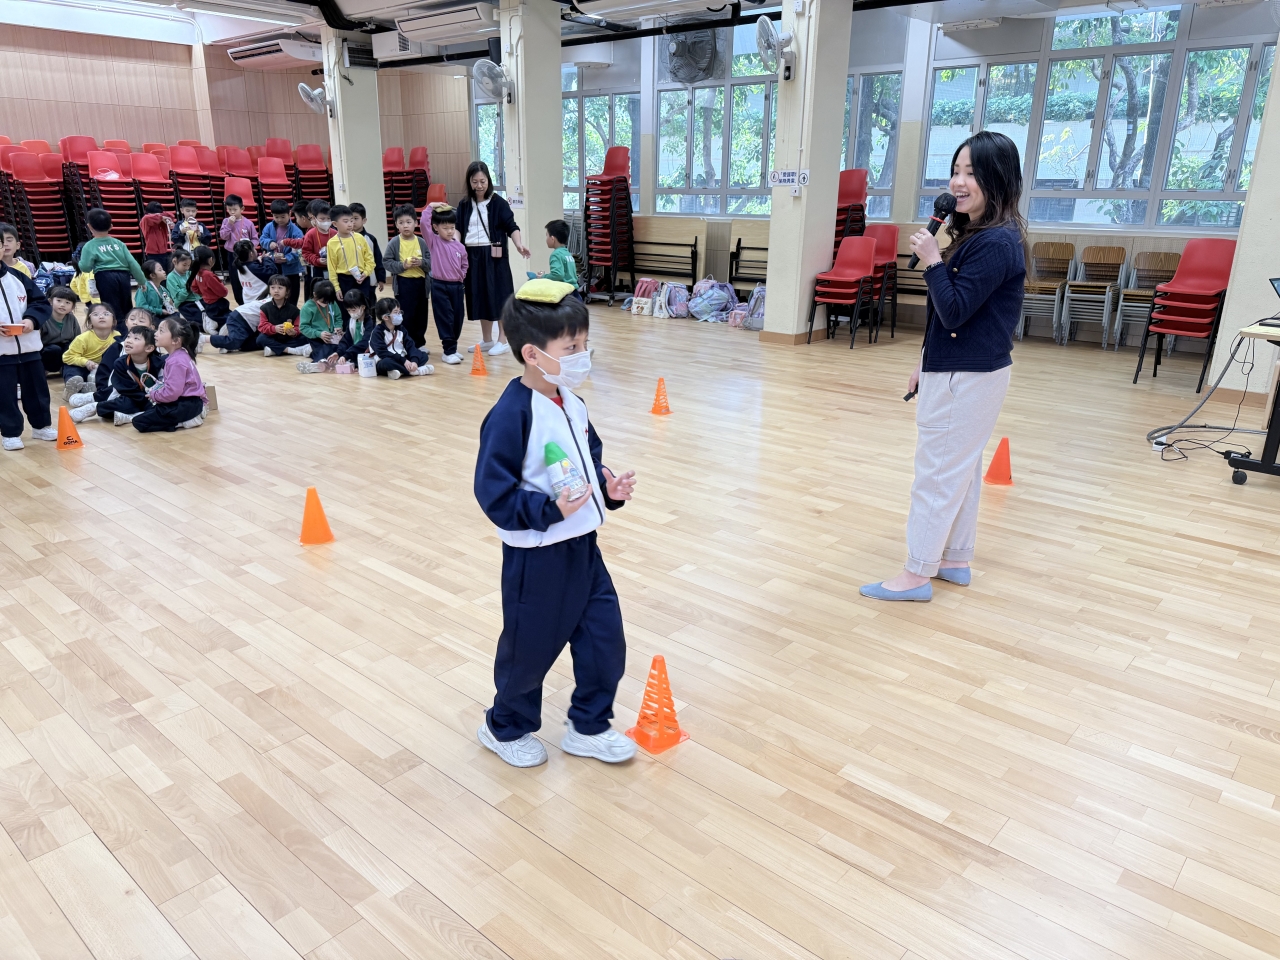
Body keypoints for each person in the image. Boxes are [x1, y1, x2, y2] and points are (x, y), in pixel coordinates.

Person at [473, 279, 637, 767]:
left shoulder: (572, 401)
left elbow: (588, 456)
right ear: (532, 353)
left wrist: (607, 485)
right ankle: (503, 728)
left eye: (584, 344)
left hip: (584, 548)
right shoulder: (510, 415)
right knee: (529, 650)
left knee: (605, 641)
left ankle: (588, 726)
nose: (583, 356)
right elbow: (494, 494)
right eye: (571, 348)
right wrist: (549, 511)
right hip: (536, 558)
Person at [861, 131, 1027, 603]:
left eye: (971, 173)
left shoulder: (996, 242)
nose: (958, 182)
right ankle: (953, 559)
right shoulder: (980, 235)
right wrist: (924, 360)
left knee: (936, 474)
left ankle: (916, 574)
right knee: (961, 470)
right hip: (961, 368)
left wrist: (933, 260)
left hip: (966, 376)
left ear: (998, 179)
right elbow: (950, 314)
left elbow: (953, 311)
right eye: (956, 170)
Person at [444, 160, 530, 357]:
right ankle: (487, 339)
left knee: (499, 295)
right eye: (475, 182)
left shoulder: (498, 203)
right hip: (471, 255)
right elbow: (458, 229)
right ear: (469, 182)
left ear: (488, 180)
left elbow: (512, 227)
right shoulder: (464, 204)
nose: (479, 186)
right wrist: (455, 246)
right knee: (480, 295)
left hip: (494, 256)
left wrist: (518, 244)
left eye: (482, 181)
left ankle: (503, 340)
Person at [0, 257, 55, 451]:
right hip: (2, 353)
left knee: (37, 390)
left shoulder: (18, 277)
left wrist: (32, 319)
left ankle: (41, 426)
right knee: (5, 395)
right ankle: (10, 433)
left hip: (29, 347)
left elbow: (40, 303)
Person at [69, 324, 165, 426]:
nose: (128, 341)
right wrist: (149, 402)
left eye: (136, 338)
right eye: (128, 337)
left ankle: (130, 416)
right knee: (122, 401)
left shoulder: (158, 363)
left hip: (146, 396)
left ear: (149, 348)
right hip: (124, 392)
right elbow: (127, 390)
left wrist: (154, 399)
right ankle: (93, 405)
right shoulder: (120, 363)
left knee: (160, 406)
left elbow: (162, 384)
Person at [78, 208, 148, 332]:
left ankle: (118, 334)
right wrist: (142, 280)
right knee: (126, 306)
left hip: (104, 277)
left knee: (112, 308)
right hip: (123, 276)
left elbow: (85, 267)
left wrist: (80, 262)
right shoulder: (119, 243)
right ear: (111, 226)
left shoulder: (89, 246)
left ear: (89, 226)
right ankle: (129, 331)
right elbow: (133, 263)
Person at [130, 317, 206, 432]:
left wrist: (154, 395)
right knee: (149, 411)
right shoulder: (180, 354)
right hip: (189, 403)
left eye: (161, 331)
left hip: (185, 405)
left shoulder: (176, 361)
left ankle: (181, 422)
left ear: (175, 340)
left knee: (139, 422)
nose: (155, 334)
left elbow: (172, 393)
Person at [422, 203, 467, 365]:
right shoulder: (433, 242)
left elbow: (465, 264)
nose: (449, 231)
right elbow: (423, 223)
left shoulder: (459, 246)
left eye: (452, 227)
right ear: (435, 228)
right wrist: (430, 207)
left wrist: (462, 275)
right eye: (445, 228)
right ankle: (448, 351)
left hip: (457, 287)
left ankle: (453, 347)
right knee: (445, 318)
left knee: (458, 318)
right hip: (439, 286)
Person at [84, 308, 154, 410]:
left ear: (151, 327)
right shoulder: (117, 347)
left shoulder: (154, 348)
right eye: (132, 319)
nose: (135, 322)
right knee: (123, 402)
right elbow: (104, 370)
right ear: (126, 322)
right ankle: (94, 398)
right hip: (118, 389)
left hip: (143, 390)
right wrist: (103, 390)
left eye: (141, 321)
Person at [384, 204, 431, 351]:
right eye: (401, 222)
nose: (405, 225)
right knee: (406, 316)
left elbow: (431, 262)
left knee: (421, 315)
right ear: (396, 224)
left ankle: (419, 343)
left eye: (408, 222)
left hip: (421, 284)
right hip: (404, 284)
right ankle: (405, 343)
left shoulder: (421, 242)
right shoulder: (394, 242)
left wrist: (421, 263)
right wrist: (402, 265)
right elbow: (387, 262)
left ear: (415, 223)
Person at [62, 302, 119, 400]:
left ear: (114, 321)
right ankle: (70, 390)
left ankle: (86, 388)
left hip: (101, 369)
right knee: (73, 372)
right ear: (90, 322)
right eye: (96, 314)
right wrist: (86, 362)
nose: (101, 316)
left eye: (106, 314)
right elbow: (67, 357)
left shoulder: (117, 336)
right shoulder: (83, 338)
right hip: (82, 366)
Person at [368, 297, 432, 379]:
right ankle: (414, 372)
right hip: (386, 359)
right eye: (396, 312)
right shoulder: (377, 332)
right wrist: (403, 361)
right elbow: (382, 353)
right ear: (386, 317)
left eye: (399, 312)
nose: (399, 315)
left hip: (401, 358)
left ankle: (400, 371)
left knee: (423, 355)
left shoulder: (401, 329)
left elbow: (410, 346)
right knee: (386, 363)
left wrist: (414, 361)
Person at [326, 204, 376, 309]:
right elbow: (332, 268)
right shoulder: (332, 243)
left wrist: (366, 272)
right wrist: (336, 288)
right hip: (343, 280)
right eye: (345, 221)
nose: (350, 224)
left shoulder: (360, 238)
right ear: (335, 224)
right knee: (346, 309)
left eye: (351, 220)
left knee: (363, 309)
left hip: (362, 278)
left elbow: (370, 259)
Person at [260, 199, 304, 305]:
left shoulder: (296, 231)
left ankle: (291, 311)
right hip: (274, 266)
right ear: (272, 215)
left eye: (283, 217)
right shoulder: (269, 227)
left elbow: (300, 250)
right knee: (275, 293)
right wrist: (269, 243)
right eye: (276, 217)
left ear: (289, 214)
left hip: (291, 269)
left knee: (292, 294)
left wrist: (287, 258)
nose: (279, 220)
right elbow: (262, 239)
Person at [187, 247, 233, 345]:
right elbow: (223, 292)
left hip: (207, 303)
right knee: (231, 319)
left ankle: (212, 324)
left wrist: (204, 293)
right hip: (217, 304)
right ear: (211, 260)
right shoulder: (208, 275)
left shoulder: (198, 273)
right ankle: (219, 335)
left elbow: (194, 287)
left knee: (219, 317)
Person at [297, 280, 344, 373]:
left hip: (333, 337)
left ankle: (318, 359)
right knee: (326, 348)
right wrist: (319, 334)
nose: (326, 303)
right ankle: (317, 364)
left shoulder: (332, 303)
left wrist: (338, 327)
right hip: (316, 337)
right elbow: (303, 327)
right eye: (323, 301)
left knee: (339, 347)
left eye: (328, 301)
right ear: (315, 294)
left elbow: (338, 317)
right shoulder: (307, 307)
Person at [257, 275, 308, 357]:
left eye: (280, 288)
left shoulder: (294, 310)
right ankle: (290, 350)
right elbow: (262, 326)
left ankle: (274, 350)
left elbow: (299, 327)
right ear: (269, 289)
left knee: (305, 338)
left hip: (288, 339)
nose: (276, 291)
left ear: (287, 291)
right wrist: (274, 328)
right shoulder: (264, 308)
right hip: (272, 337)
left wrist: (294, 332)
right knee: (261, 339)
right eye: (273, 287)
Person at [39, 285, 80, 376]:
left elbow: (78, 339)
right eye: (59, 301)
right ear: (50, 301)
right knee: (54, 349)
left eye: (67, 302)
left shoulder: (72, 319)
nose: (62, 305)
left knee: (71, 347)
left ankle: (66, 369)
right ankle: (44, 369)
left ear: (72, 307)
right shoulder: (44, 317)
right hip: (47, 351)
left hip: (64, 350)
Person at [301, 200, 336, 301]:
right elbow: (306, 253)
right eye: (322, 219)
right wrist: (317, 260)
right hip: (317, 270)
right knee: (319, 294)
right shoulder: (310, 234)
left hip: (333, 269)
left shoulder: (335, 233)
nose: (326, 221)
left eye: (328, 218)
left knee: (332, 294)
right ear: (314, 219)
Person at [349, 202, 386, 292]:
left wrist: (381, 278)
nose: (353, 222)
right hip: (350, 280)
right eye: (350, 219)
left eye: (356, 218)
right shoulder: (344, 238)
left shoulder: (370, 239)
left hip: (369, 280)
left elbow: (377, 259)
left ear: (364, 220)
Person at [227, 239, 271, 307]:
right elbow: (272, 271)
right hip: (260, 303)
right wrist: (266, 259)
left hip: (248, 302)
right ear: (251, 254)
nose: (256, 251)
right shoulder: (254, 268)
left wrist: (258, 260)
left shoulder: (238, 266)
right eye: (254, 249)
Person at [539, 219, 579, 291]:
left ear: (552, 239)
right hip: (574, 290)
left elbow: (557, 275)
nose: (546, 239)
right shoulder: (567, 253)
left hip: (564, 292)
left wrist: (543, 277)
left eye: (547, 236)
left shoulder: (556, 254)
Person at [167, 249, 202, 329]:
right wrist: (189, 286)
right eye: (184, 265)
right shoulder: (171, 277)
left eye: (189, 265)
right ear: (175, 261)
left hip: (198, 301)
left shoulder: (189, 273)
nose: (187, 268)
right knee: (198, 324)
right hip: (186, 305)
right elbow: (179, 298)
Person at [336, 287, 373, 362]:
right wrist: (338, 353)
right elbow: (346, 340)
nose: (351, 313)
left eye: (353, 310)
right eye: (348, 310)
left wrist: (347, 355)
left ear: (363, 307)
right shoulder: (351, 321)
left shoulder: (369, 322)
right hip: (352, 353)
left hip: (365, 354)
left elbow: (365, 342)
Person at [139, 202, 174, 271]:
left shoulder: (162, 220)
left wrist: (162, 217)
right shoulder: (145, 219)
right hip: (152, 253)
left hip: (164, 252)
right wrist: (161, 217)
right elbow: (147, 217)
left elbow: (171, 215)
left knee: (165, 273)